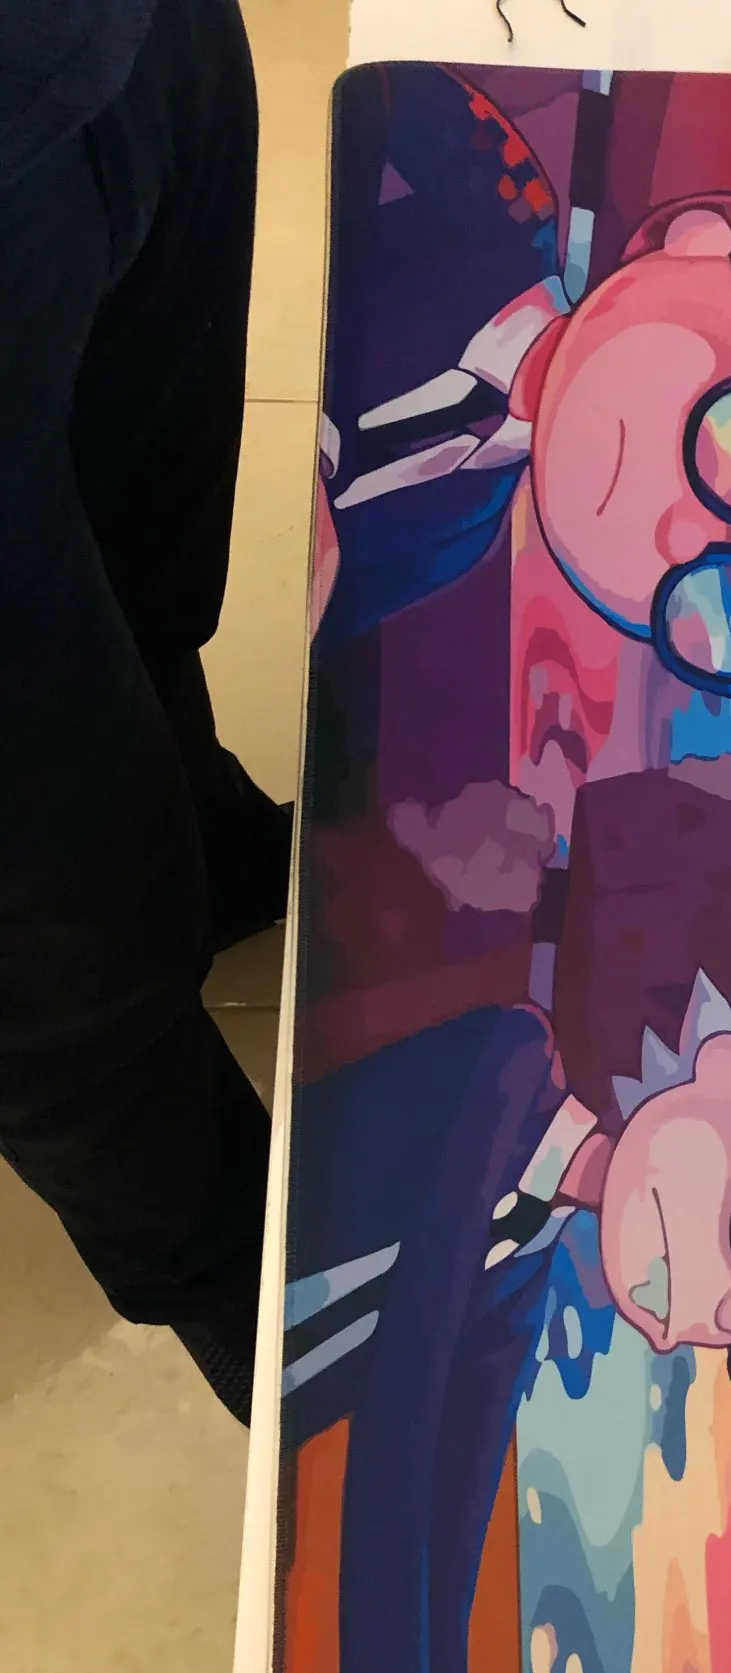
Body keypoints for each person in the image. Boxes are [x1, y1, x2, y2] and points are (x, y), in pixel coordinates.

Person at [0, 0, 291, 1424]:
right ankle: (248, 1285)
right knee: (54, 932)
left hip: (119, 43)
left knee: (146, 575)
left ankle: (221, 854)